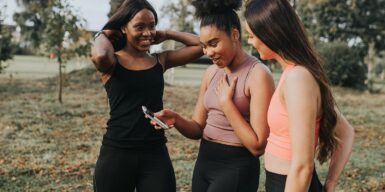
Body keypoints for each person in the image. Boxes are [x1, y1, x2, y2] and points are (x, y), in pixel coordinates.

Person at [152, 0, 275, 191]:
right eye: (204, 46)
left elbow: (258, 146)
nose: (208, 52)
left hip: (236, 168)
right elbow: (197, 128)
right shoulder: (212, 73)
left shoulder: (258, 74)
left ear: (234, 35)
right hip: (204, 163)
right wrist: (175, 119)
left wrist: (227, 105)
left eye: (214, 43)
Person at [90, 0, 203, 191]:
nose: (147, 32)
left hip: (154, 152)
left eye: (152, 26)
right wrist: (104, 33)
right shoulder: (111, 61)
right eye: (139, 27)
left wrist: (166, 34)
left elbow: (201, 46)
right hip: (117, 151)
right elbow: (100, 55)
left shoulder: (160, 60)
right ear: (124, 28)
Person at [243, 0, 355, 191]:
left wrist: (331, 183)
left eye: (251, 35)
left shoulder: (298, 79)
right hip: (284, 182)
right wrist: (329, 183)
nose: (249, 41)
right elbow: (346, 131)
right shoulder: (295, 74)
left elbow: (303, 166)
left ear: (270, 33)